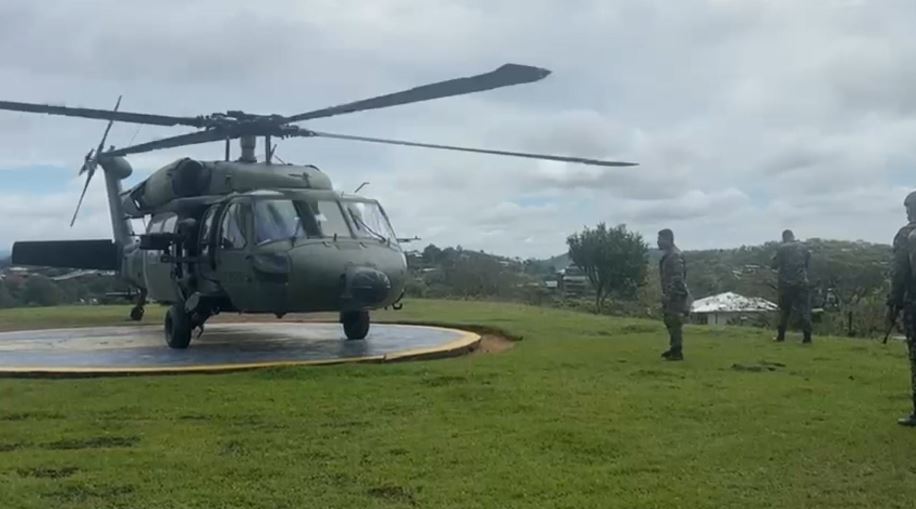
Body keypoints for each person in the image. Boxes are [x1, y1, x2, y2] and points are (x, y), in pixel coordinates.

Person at [886, 191, 916, 427]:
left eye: (908, 208)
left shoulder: (906, 235)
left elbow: (899, 273)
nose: (906, 212)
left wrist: (893, 303)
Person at [771, 229, 813, 343]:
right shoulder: (804, 247)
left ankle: (781, 336)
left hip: (786, 283)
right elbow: (807, 263)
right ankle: (807, 337)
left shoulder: (782, 248)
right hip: (802, 282)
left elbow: (774, 265)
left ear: (784, 238)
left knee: (785, 311)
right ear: (793, 236)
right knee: (804, 310)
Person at [658, 229, 690, 361]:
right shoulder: (669, 255)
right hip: (672, 294)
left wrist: (669, 295)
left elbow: (677, 278)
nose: (658, 242)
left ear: (668, 240)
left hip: (676, 295)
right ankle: (674, 348)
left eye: (660, 239)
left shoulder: (674, 256)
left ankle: (677, 352)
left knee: (674, 321)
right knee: (670, 321)